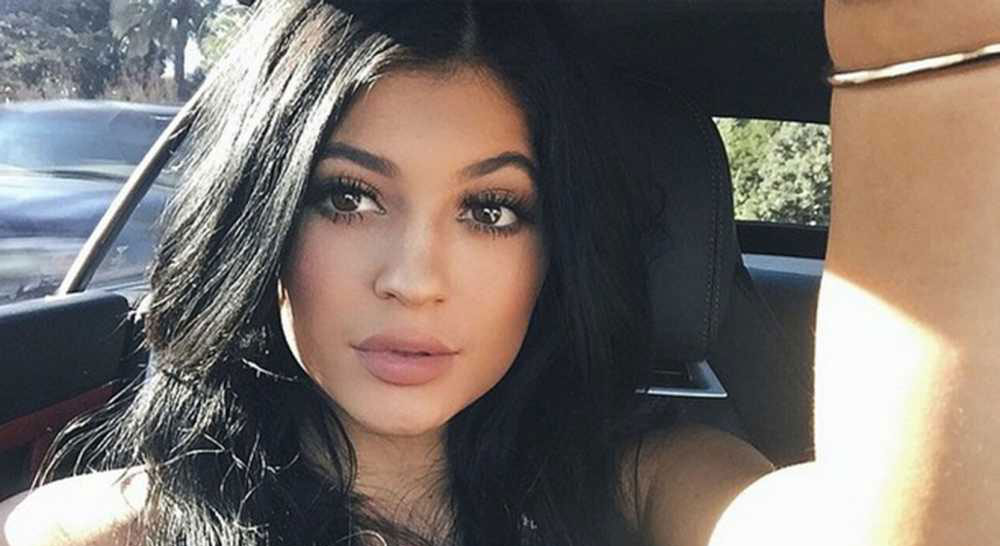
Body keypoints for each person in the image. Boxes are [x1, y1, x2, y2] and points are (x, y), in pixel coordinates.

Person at [3, 1, 1000, 545]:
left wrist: (919, 45)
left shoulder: (651, 484)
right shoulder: (108, 532)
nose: (414, 278)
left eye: (491, 210)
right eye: (348, 197)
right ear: (261, 220)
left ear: (553, 253)